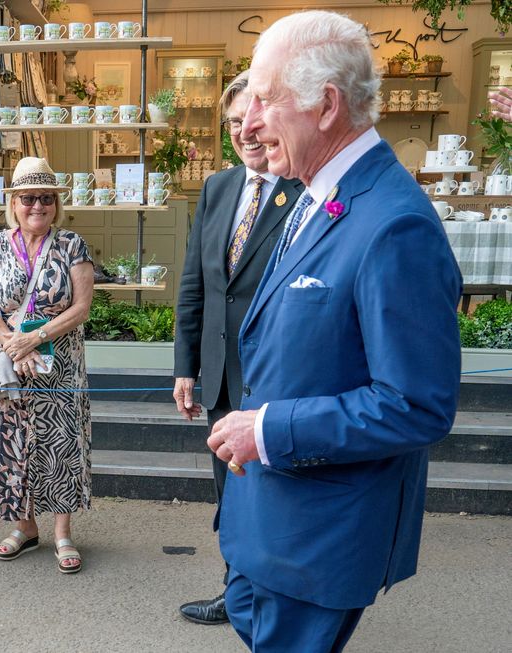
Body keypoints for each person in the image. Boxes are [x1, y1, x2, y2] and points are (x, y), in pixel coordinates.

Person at [205, 11, 462, 651]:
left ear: (325, 106)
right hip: (272, 522)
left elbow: (416, 405)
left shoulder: (395, 223)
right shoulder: (316, 193)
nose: (248, 123)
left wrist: (268, 429)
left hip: (317, 536)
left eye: (264, 99)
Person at [172, 70, 302, 626]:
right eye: (232, 122)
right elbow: (195, 284)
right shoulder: (217, 188)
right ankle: (238, 592)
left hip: (278, 378)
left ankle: (281, 600)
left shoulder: (305, 191)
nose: (244, 132)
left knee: (277, 495)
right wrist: (186, 366)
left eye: (253, 118)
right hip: (222, 376)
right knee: (231, 491)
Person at [0, 157, 94, 574]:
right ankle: (24, 528)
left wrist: (36, 338)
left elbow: (81, 308)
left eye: (46, 197)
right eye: (28, 198)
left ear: (56, 204)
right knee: (12, 442)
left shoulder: (72, 244)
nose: (37, 205)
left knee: (62, 444)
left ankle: (62, 533)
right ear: (14, 203)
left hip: (60, 366)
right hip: (10, 365)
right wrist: (14, 344)